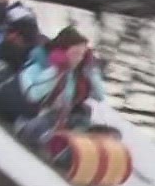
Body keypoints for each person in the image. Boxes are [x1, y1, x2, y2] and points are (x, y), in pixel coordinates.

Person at [12, 26, 118, 166]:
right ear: (62, 51)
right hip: (31, 120)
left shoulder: (75, 73)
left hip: (60, 120)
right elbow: (33, 95)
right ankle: (63, 150)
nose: (79, 59)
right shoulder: (36, 66)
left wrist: (91, 70)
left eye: (82, 55)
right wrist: (57, 70)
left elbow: (99, 96)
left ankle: (81, 145)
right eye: (76, 53)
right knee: (46, 127)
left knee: (88, 119)